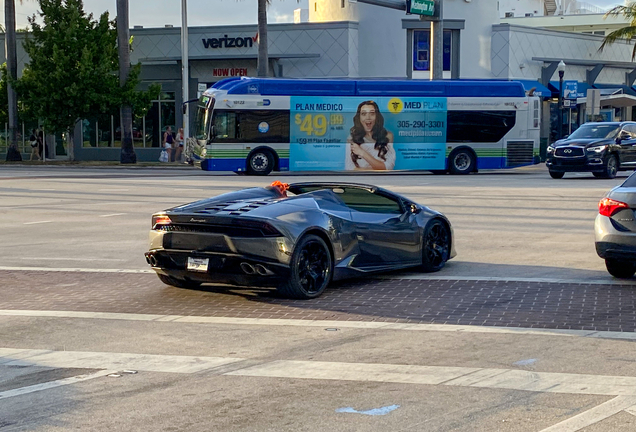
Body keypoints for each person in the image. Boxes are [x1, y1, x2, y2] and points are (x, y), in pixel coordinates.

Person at [345, 100, 396, 170]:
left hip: (383, 180)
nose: (368, 117)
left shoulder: (387, 136)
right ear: (359, 117)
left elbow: (388, 167)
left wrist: (362, 153)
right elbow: (349, 168)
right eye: (363, 114)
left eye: (372, 113)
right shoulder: (352, 138)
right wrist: (378, 168)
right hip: (360, 180)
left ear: (377, 116)